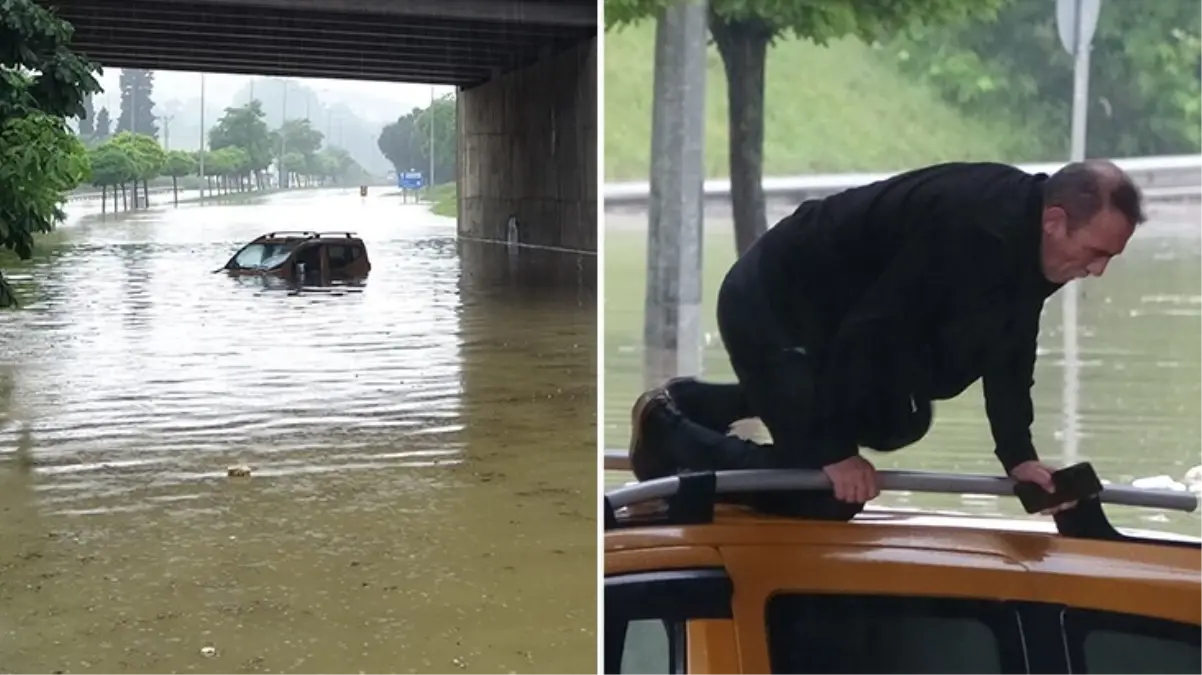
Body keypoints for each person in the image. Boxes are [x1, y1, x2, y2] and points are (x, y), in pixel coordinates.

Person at [627, 159, 1146, 519]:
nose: (1096, 271)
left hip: (835, 330)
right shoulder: (971, 229)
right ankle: (668, 427)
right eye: (1096, 252)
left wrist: (1018, 456)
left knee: (902, 419)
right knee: (828, 497)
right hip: (774, 307)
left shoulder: (1032, 240)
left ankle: (703, 401)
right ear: (1056, 221)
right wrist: (832, 453)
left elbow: (1011, 345)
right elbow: (872, 329)